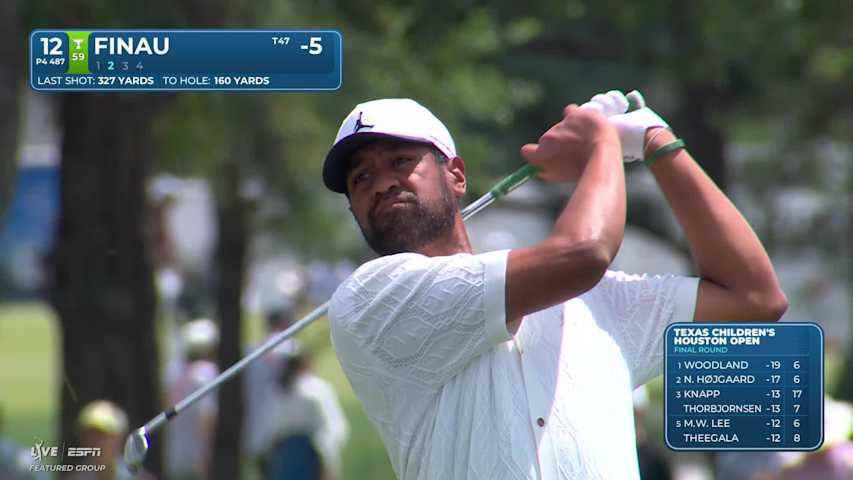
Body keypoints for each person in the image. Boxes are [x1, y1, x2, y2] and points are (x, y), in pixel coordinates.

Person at [322, 92, 787, 480]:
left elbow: (754, 298)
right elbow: (585, 253)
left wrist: (658, 144)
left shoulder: (591, 300)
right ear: (354, 209)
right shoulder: (371, 298)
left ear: (456, 175)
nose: (381, 184)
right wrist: (602, 143)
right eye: (361, 178)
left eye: (400, 162)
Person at [264, 343, 349, 480]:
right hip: (310, 456)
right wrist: (329, 465)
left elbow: (270, 433)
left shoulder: (275, 391)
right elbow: (328, 430)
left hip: (286, 457)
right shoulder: (317, 389)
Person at [165, 318, 220, 480]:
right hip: (197, 456)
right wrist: (206, 456)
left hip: (174, 455)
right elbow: (206, 417)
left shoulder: (173, 374)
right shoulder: (207, 373)